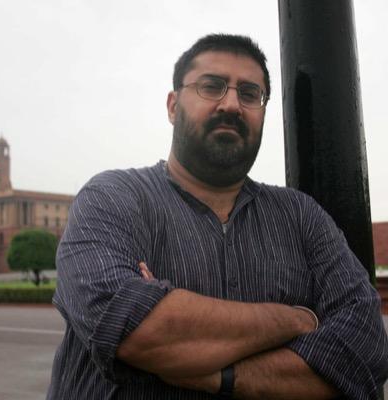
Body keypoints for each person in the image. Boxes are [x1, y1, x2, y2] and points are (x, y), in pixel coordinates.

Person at [47, 34, 388, 399]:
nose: (231, 104)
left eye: (250, 93)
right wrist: (296, 319)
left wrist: (219, 374)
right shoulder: (111, 197)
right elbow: (128, 325)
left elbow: (366, 348)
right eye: (211, 86)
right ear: (173, 106)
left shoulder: (301, 217)